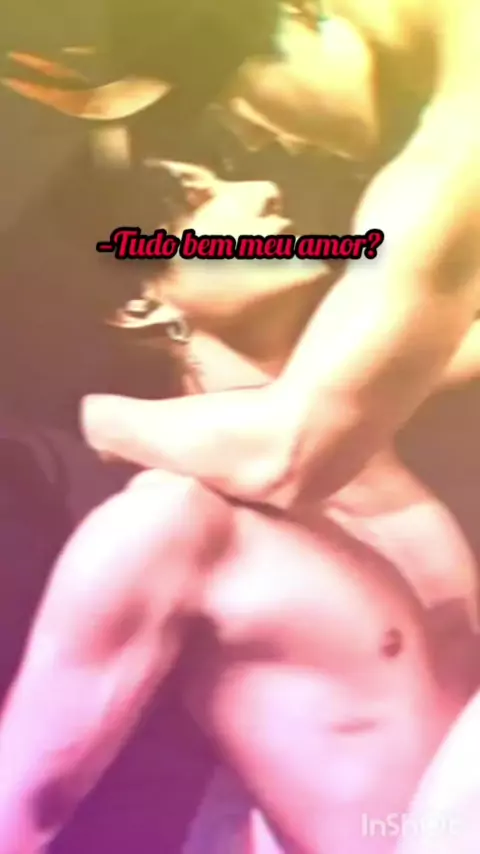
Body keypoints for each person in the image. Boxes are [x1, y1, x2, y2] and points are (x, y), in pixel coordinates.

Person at [0, 162, 479, 854]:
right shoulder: (172, 525)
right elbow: (22, 802)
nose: (264, 188)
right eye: (197, 200)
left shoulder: (364, 434)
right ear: (139, 304)